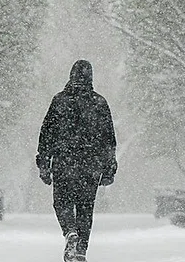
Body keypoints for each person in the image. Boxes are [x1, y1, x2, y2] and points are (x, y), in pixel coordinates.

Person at [36, 59, 117, 262]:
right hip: (91, 165)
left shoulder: (59, 101)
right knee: (85, 207)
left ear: (71, 76)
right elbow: (109, 139)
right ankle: (81, 251)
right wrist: (109, 167)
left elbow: (47, 134)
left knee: (61, 202)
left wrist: (44, 163)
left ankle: (69, 232)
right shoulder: (99, 103)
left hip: (64, 162)